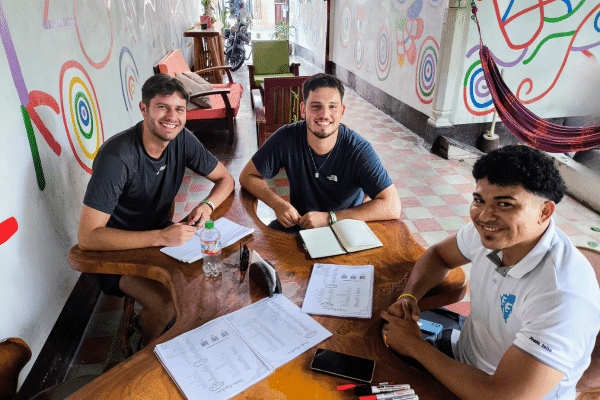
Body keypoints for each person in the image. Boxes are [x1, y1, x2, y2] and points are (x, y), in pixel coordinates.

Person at [382, 145, 600, 400]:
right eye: (479, 200)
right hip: (460, 359)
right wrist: (409, 297)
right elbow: (439, 256)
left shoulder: (562, 297)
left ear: (544, 212)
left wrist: (414, 346)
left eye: (505, 204)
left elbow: (501, 395)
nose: (484, 216)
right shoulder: (491, 235)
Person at [77, 74, 235, 345]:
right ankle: (144, 356)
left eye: (179, 109)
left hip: (157, 235)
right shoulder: (118, 157)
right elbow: (88, 237)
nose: (171, 116)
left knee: (204, 283)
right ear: (144, 109)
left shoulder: (182, 139)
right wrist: (161, 237)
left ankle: (149, 325)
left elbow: (226, 179)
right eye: (162, 107)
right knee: (167, 306)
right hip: (116, 253)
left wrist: (207, 205)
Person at [239, 73, 401, 232]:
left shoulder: (358, 149)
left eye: (332, 106)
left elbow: (392, 205)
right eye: (316, 106)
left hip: (344, 229)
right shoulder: (286, 137)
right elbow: (247, 176)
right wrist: (277, 203)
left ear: (342, 111)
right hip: (300, 226)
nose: (324, 115)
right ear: (303, 109)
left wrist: (330, 218)